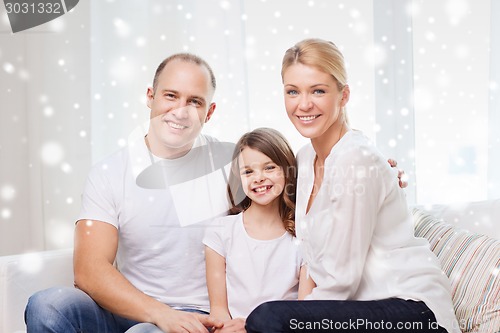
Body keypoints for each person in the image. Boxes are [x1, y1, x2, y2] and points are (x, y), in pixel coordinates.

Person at [245, 38, 460, 333]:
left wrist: (291, 321)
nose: (303, 104)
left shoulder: (356, 159)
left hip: (412, 309)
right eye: (292, 91)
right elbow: (311, 260)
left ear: (344, 95)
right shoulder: (305, 160)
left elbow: (340, 280)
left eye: (318, 91)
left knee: (266, 319)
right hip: (357, 309)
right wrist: (300, 314)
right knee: (270, 319)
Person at [25, 53, 227, 333]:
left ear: (210, 111)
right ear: (150, 96)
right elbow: (88, 269)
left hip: (200, 317)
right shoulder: (109, 172)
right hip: (131, 308)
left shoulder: (233, 167)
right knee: (47, 305)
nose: (181, 111)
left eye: (195, 101)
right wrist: (160, 314)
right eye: (171, 96)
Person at [203, 128, 315, 333]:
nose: (259, 178)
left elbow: (303, 314)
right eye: (248, 171)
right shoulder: (220, 232)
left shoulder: (304, 236)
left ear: (287, 170)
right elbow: (218, 311)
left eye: (269, 167)